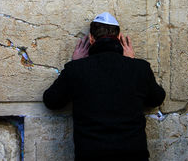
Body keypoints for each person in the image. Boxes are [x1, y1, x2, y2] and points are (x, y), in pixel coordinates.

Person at [43, 12, 165, 161]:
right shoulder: (140, 68)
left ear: (91, 39)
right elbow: (157, 98)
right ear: (119, 37)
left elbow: (51, 100)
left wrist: (73, 65)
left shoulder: (76, 70)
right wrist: (131, 64)